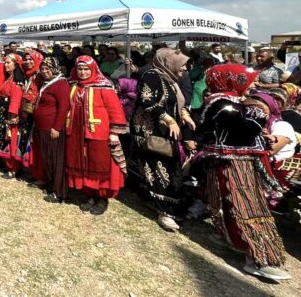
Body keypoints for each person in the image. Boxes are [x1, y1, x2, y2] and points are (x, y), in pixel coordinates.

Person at [201, 64, 291, 281]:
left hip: (236, 163)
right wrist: (260, 114)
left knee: (239, 205)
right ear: (233, 80)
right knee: (246, 207)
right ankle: (258, 259)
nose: (254, 84)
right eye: (248, 79)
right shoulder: (222, 104)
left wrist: (261, 135)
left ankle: (240, 244)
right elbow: (246, 129)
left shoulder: (229, 102)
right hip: (231, 165)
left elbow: (246, 132)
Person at [130, 48, 196, 232]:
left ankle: (166, 207)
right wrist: (169, 120)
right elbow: (148, 100)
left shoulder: (171, 79)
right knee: (159, 169)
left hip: (167, 131)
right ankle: (164, 213)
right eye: (181, 66)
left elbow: (176, 101)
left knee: (169, 167)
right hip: (150, 132)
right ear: (168, 62)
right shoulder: (150, 75)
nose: (184, 69)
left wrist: (184, 115)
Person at [65, 56, 128, 215]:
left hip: (99, 133)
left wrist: (114, 133)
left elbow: (115, 111)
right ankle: (89, 195)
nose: (83, 72)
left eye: (86, 69)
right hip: (76, 132)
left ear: (93, 69)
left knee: (98, 164)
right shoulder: (72, 85)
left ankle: (102, 198)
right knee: (82, 162)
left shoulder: (104, 87)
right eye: (80, 69)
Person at [34, 57, 71, 203]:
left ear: (54, 68)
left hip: (52, 128)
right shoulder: (47, 83)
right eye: (42, 69)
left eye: (47, 68)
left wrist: (56, 127)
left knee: (56, 160)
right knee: (48, 158)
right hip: (43, 127)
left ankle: (59, 191)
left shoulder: (61, 83)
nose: (44, 71)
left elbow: (63, 107)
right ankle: (52, 184)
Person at [0, 54, 25, 179]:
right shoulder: (9, 79)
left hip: (9, 115)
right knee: (3, 138)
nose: (6, 65)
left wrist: (13, 115)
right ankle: (7, 164)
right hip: (2, 111)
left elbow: (15, 100)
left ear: (16, 64)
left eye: (8, 63)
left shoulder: (17, 82)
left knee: (11, 139)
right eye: (5, 62)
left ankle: (13, 168)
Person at [18, 50, 45, 180]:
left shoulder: (39, 75)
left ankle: (37, 172)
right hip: (27, 114)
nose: (27, 62)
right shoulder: (27, 74)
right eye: (26, 59)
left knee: (34, 142)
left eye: (31, 60)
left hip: (35, 115)